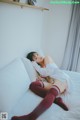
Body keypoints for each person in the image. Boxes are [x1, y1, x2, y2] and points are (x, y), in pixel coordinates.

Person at [11, 52, 69, 120]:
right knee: (33, 85)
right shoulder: (41, 68)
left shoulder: (47, 57)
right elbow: (48, 79)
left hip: (62, 79)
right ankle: (56, 100)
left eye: (37, 54)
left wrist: (35, 65)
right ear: (35, 61)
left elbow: (48, 72)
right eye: (36, 58)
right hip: (55, 82)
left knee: (52, 92)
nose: (38, 57)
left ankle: (31, 117)